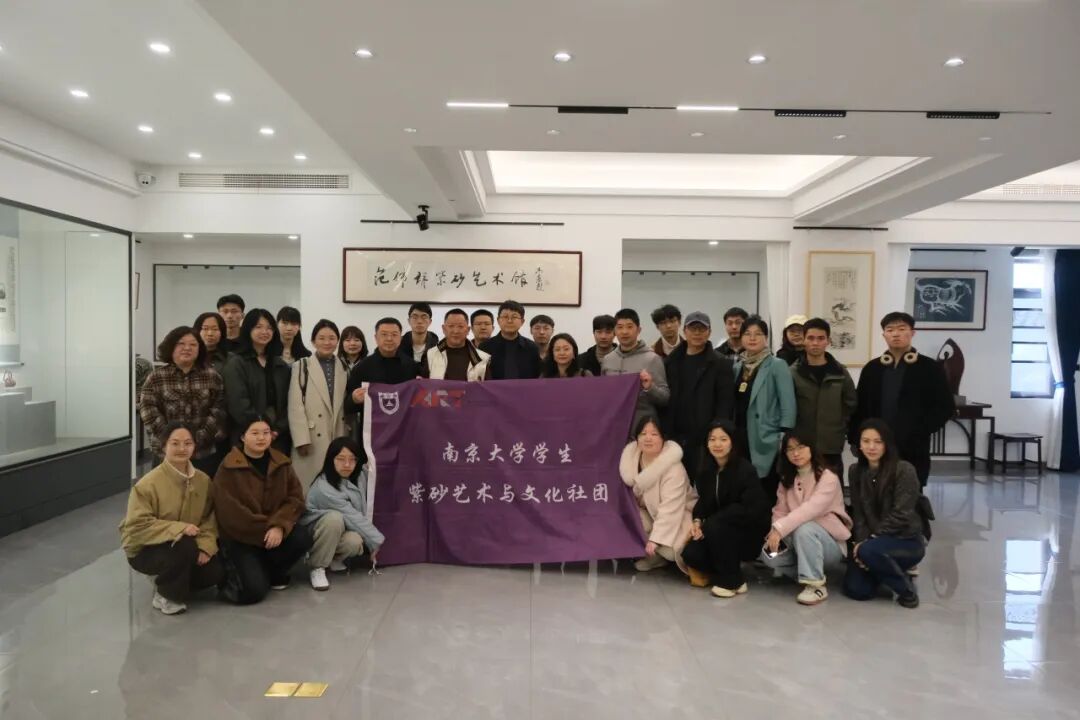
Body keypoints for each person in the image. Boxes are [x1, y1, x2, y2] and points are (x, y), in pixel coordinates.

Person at [120, 422, 224, 615]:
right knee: (184, 545)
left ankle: (171, 578)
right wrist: (179, 528)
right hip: (146, 548)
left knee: (213, 572)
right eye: (175, 443)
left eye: (188, 443)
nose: (182, 449)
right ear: (163, 446)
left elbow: (208, 517)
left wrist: (206, 546)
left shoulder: (203, 480)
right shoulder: (147, 484)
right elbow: (136, 527)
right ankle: (166, 595)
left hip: (185, 544)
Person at [212, 416, 313, 604]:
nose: (261, 438)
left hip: (272, 535)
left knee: (302, 537)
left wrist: (279, 526)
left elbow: (295, 498)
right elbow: (230, 513)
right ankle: (240, 575)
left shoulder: (281, 463)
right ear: (243, 437)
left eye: (266, 433)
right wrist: (268, 528)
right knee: (253, 593)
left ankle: (271, 572)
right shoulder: (228, 467)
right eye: (255, 433)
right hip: (242, 538)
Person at [849, 312, 955, 487]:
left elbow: (945, 407)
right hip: (876, 445)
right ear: (884, 335)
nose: (895, 334)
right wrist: (856, 438)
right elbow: (859, 407)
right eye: (890, 330)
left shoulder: (929, 367)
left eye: (901, 329)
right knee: (874, 490)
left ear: (912, 333)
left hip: (913, 445)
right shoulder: (872, 368)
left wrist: (921, 431)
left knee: (910, 491)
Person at [761, 431, 852, 606]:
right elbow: (779, 511)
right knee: (769, 555)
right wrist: (774, 532)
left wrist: (780, 529)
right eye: (790, 449)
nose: (796, 453)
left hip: (829, 545)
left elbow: (810, 510)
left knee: (806, 528)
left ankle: (815, 585)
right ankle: (804, 571)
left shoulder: (828, 477)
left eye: (801, 447)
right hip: (796, 540)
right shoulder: (787, 479)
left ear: (812, 448)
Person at [843, 419, 926, 609]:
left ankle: (906, 591)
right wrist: (862, 543)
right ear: (859, 444)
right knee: (856, 590)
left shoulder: (904, 469)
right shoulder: (855, 471)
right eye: (866, 441)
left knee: (868, 551)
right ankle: (887, 568)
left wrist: (869, 543)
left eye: (878, 441)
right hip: (871, 543)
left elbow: (902, 514)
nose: (871, 447)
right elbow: (859, 514)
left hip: (905, 540)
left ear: (887, 443)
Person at [681, 420, 770, 597]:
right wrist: (697, 521)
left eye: (723, 439)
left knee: (717, 527)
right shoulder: (705, 471)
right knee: (691, 554)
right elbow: (703, 503)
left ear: (732, 442)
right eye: (712, 439)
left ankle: (730, 582)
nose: (717, 444)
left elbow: (751, 509)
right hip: (715, 530)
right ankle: (735, 575)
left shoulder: (745, 470)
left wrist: (714, 521)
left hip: (747, 531)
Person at [139, 326, 228, 477]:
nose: (187, 348)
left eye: (193, 344)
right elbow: (148, 411)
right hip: (165, 453)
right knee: (165, 491)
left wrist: (198, 439)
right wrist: (173, 440)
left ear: (199, 349)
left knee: (202, 490)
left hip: (202, 452)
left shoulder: (212, 377)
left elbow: (219, 410)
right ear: (170, 347)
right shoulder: (156, 377)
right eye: (181, 344)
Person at [299, 438, 385, 590]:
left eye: (352, 459)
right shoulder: (324, 487)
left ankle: (333, 558)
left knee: (354, 541)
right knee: (334, 519)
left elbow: (375, 471)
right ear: (330, 459)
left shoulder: (358, 476)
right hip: (315, 534)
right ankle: (317, 567)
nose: (347, 464)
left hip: (339, 531)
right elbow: (352, 516)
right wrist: (376, 541)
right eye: (340, 459)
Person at [618, 417, 696, 575]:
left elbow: (670, 509)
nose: (648, 438)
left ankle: (658, 555)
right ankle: (651, 553)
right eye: (643, 433)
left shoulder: (674, 468)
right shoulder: (631, 459)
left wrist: (656, 539)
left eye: (654, 434)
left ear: (663, 438)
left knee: (671, 550)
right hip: (647, 513)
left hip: (678, 516)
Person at [662, 312, 734, 483]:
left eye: (702, 329)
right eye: (693, 328)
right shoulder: (671, 362)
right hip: (675, 437)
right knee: (674, 483)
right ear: (684, 331)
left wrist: (716, 434)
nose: (697, 333)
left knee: (703, 484)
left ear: (709, 332)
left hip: (704, 438)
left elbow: (725, 403)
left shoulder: (720, 363)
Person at [732, 316, 796, 498]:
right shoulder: (737, 367)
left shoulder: (777, 365)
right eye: (747, 333)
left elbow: (788, 403)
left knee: (765, 488)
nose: (752, 338)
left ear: (766, 338)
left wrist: (783, 435)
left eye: (758, 334)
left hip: (766, 435)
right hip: (740, 435)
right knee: (742, 486)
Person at [790, 317, 857, 480]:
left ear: (828, 341)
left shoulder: (840, 372)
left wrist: (839, 426)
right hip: (801, 446)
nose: (815, 343)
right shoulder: (792, 373)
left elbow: (850, 403)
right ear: (804, 340)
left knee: (833, 489)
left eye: (821, 338)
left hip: (831, 445)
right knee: (803, 490)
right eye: (811, 338)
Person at [288, 319, 348, 490]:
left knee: (336, 486)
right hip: (311, 437)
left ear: (338, 341)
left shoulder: (344, 367)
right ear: (313, 341)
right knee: (308, 487)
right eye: (321, 338)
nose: (327, 342)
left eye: (332, 338)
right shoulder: (302, 366)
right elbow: (295, 405)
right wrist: (301, 439)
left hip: (337, 433)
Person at [223, 309, 292, 453]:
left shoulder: (280, 365)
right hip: (246, 436)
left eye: (269, 328)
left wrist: (277, 429)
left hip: (278, 437)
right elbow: (237, 402)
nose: (265, 332)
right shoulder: (237, 363)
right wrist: (261, 430)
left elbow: (289, 402)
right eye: (258, 327)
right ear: (248, 329)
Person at [602, 308, 670, 433]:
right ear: (615, 331)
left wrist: (650, 387)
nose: (624, 331)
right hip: (613, 426)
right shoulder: (608, 360)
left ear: (639, 330)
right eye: (620, 327)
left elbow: (665, 398)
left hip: (642, 428)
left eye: (629, 327)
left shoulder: (652, 358)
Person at [343, 318, 418, 421]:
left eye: (394, 334)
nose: (389, 339)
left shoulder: (412, 366)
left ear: (400, 338)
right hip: (373, 428)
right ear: (376, 338)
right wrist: (354, 399)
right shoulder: (362, 367)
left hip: (404, 426)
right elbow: (347, 406)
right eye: (384, 334)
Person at [420, 308, 491, 381]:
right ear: (444, 329)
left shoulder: (482, 359)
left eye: (460, 326)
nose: (456, 331)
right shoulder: (431, 355)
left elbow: (487, 387)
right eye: (451, 326)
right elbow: (423, 385)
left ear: (468, 330)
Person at [480, 300, 542, 380]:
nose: (509, 321)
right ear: (498, 320)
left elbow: (536, 377)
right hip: (493, 388)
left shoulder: (532, 347)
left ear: (522, 321)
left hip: (525, 388)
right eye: (505, 317)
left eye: (514, 317)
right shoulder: (485, 347)